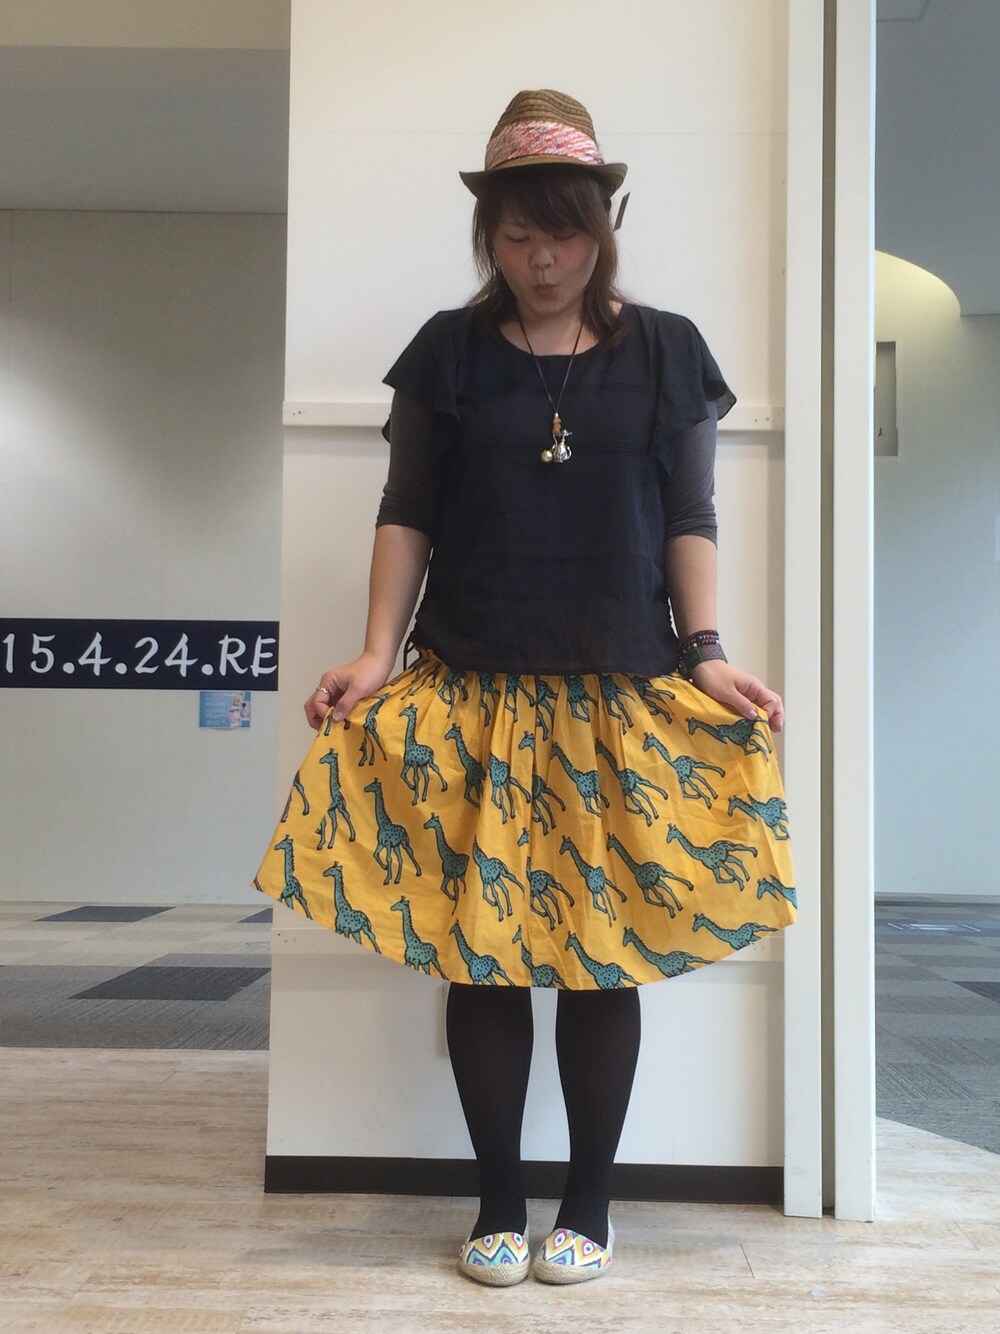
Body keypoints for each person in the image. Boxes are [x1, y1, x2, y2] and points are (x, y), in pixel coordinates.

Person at [255, 88, 796, 1288]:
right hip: (472, 683)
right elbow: (407, 509)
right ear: (486, 234)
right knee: (483, 953)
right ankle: (499, 1198)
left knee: (604, 955)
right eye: (516, 235)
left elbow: (691, 515)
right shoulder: (447, 354)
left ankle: (588, 1200)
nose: (542, 259)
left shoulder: (667, 351)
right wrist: (374, 652)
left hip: (620, 688)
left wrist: (707, 648)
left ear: (604, 227)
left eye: (564, 233)